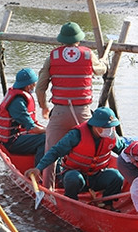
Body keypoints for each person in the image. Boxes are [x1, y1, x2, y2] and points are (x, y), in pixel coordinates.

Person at [35, 22, 107, 187]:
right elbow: (101, 70)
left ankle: (48, 189)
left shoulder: (52, 57)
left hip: (59, 113)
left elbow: (40, 88)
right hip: (83, 113)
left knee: (50, 153)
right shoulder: (88, 55)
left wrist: (44, 106)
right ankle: (89, 185)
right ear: (79, 40)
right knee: (91, 147)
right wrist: (104, 61)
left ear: (62, 41)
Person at [25, 107, 126, 208]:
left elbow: (124, 150)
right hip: (75, 176)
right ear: (95, 126)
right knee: (73, 178)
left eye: (111, 127)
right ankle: (71, 204)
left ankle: (107, 204)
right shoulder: (76, 135)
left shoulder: (112, 136)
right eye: (105, 127)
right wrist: (39, 168)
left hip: (96, 176)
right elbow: (55, 151)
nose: (109, 130)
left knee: (116, 177)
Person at [0, 67, 46, 165]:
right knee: (46, 139)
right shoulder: (18, 102)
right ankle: (40, 171)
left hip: (17, 137)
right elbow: (33, 129)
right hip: (12, 142)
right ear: (29, 86)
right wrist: (52, 130)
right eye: (34, 83)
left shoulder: (14, 94)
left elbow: (4, 113)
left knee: (47, 135)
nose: (35, 85)